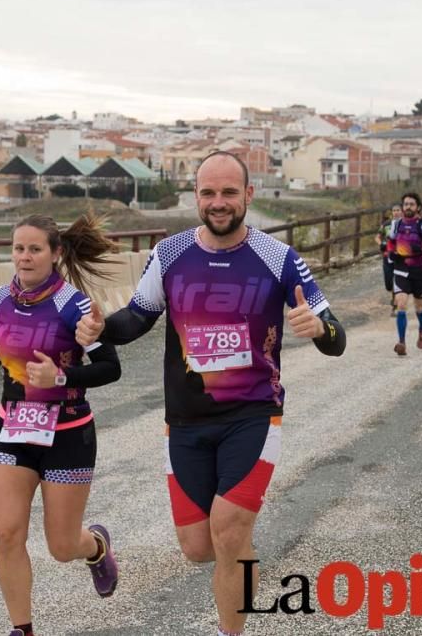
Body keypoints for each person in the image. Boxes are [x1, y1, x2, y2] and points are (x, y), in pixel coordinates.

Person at [74, 151, 346, 636]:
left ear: (248, 195)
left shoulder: (278, 258)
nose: (218, 203)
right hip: (185, 421)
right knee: (199, 547)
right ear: (195, 196)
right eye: (208, 193)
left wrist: (319, 328)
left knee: (228, 528)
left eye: (228, 193)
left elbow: (335, 335)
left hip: (253, 415)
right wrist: (98, 329)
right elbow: (136, 318)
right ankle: (240, 551)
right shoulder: (171, 253)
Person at [0, 214, 122, 636]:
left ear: (55, 253)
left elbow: (109, 367)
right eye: (18, 249)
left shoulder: (75, 306)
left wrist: (60, 377)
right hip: (12, 431)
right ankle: (22, 629)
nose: (24, 257)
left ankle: (96, 546)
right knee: (7, 533)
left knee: (62, 547)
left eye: (34, 249)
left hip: (67, 434)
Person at [388, 192, 422, 355]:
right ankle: (402, 342)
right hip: (401, 268)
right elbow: (391, 242)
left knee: (418, 306)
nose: (408, 207)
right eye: (405, 204)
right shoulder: (396, 224)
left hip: (419, 270)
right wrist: (391, 252)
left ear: (418, 207)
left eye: (411, 204)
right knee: (401, 304)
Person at [375, 204, 402, 315]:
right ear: (391, 212)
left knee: (398, 281)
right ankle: (394, 296)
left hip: (400, 257)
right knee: (389, 283)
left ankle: (395, 305)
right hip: (387, 256)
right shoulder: (386, 224)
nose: (396, 212)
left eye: (398, 210)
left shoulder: (405, 224)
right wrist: (381, 243)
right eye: (394, 210)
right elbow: (377, 237)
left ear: (402, 211)